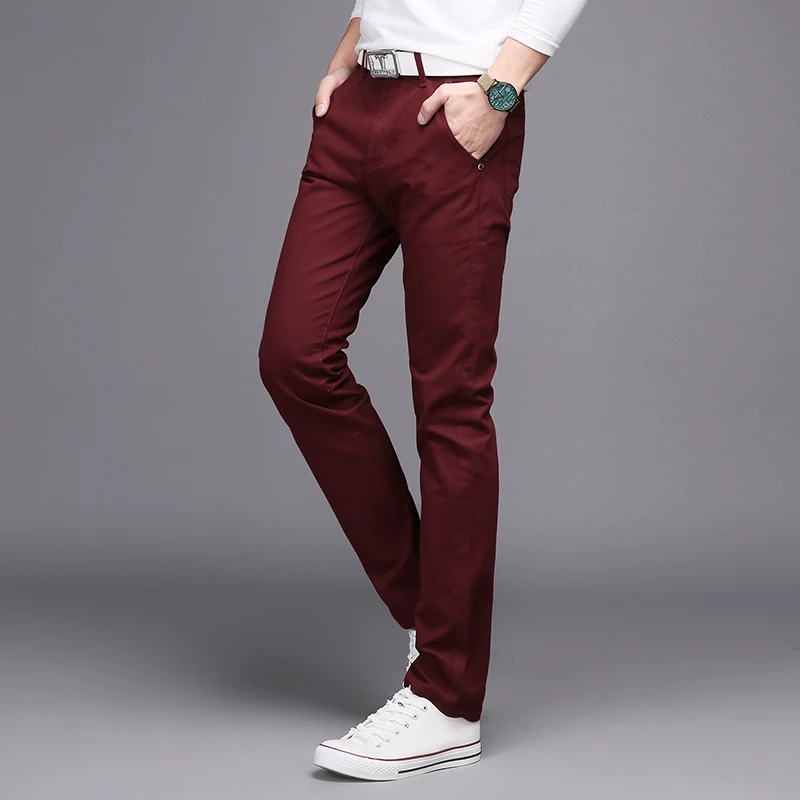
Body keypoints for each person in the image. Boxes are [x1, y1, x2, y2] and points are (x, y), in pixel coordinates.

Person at [258, 0, 588, 781]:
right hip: (360, 107)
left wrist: (500, 91)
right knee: (294, 357)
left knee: (451, 400)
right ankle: (441, 618)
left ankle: (448, 701)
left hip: (457, 105)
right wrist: (349, 52)